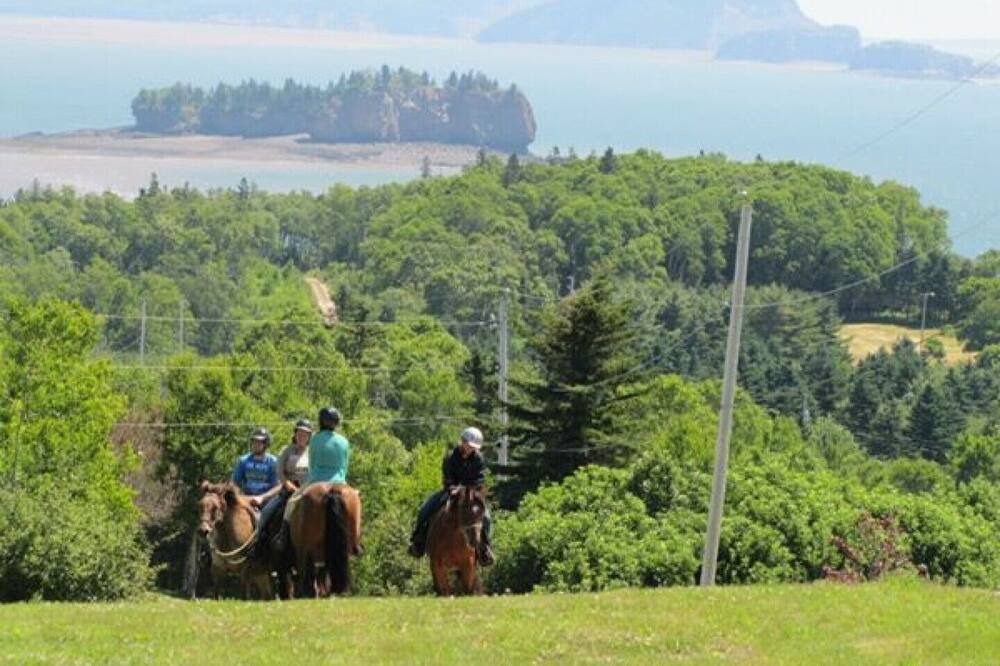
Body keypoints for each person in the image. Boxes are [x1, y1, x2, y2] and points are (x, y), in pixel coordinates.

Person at [408, 426, 494, 566]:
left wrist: (472, 489)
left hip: (472, 493)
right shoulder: (450, 457)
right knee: (425, 508)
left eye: (474, 447)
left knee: (487, 517)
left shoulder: (479, 458)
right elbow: (448, 478)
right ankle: (418, 541)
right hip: (451, 491)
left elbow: (480, 478)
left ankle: (485, 548)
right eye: (470, 446)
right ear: (463, 441)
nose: (472, 449)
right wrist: (454, 487)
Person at [251, 419, 312, 558]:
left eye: (306, 434)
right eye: (300, 433)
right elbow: (279, 471)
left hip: (307, 490)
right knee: (266, 512)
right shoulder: (287, 450)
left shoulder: (313, 452)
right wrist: (287, 483)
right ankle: (260, 544)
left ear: (309, 436)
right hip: (289, 489)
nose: (302, 436)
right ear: (295, 434)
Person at [232, 427, 279, 501]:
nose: (255, 444)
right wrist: (239, 496)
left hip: (266, 499)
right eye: (254, 441)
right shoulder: (243, 461)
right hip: (245, 498)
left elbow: (277, 486)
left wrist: (262, 498)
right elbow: (235, 483)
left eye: (259, 442)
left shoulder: (273, 462)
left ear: (266, 444)